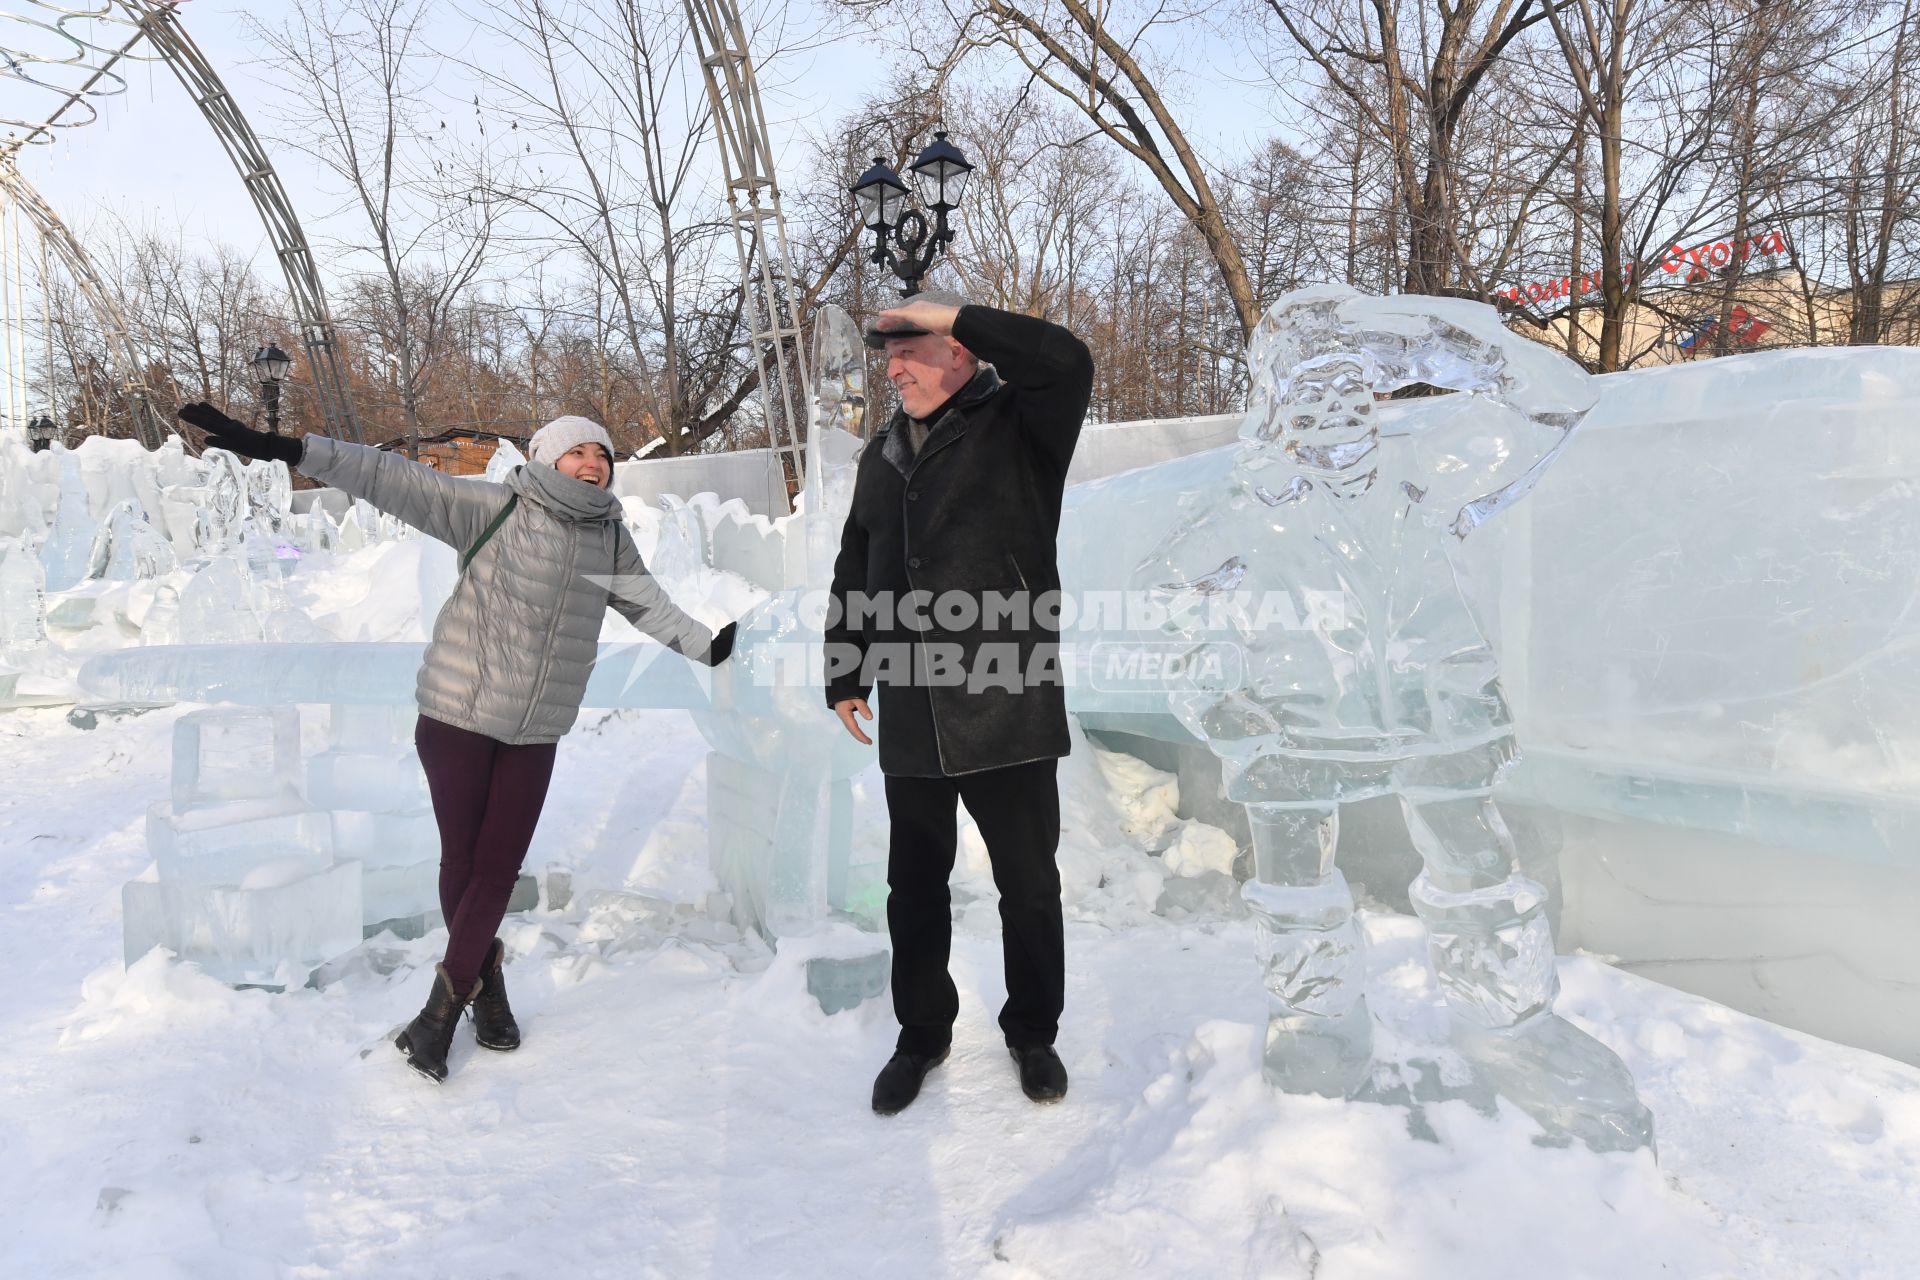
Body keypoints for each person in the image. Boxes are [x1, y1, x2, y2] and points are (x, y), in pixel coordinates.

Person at [176, 405, 736, 1083]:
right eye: (579, 452)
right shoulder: (493, 506)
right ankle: (486, 984)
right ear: (546, 458)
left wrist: (710, 646)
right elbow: (388, 476)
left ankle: (440, 1013)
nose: (594, 465)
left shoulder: (609, 537)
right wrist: (282, 446)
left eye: (603, 455)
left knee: (498, 868)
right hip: (457, 713)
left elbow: (647, 603)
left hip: (537, 725)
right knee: (464, 862)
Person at [823, 291, 1093, 1115]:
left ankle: (1034, 1030)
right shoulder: (882, 453)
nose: (893, 368)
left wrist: (955, 311)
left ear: (960, 352)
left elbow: (1068, 359)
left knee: (1028, 884)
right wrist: (845, 670)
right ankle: (922, 1033)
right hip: (912, 702)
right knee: (915, 885)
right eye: (889, 356)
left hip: (1005, 697)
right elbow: (855, 560)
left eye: (912, 349)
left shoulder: (1021, 424)